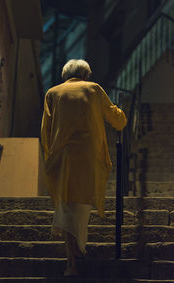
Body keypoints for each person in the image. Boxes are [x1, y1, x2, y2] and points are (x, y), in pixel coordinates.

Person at [41, 59, 127, 276]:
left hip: (62, 157)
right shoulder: (93, 89)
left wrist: (50, 157)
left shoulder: (52, 93)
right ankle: (77, 252)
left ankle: (72, 259)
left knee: (67, 206)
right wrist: (121, 115)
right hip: (87, 158)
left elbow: (46, 130)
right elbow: (116, 119)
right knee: (80, 206)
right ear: (85, 74)